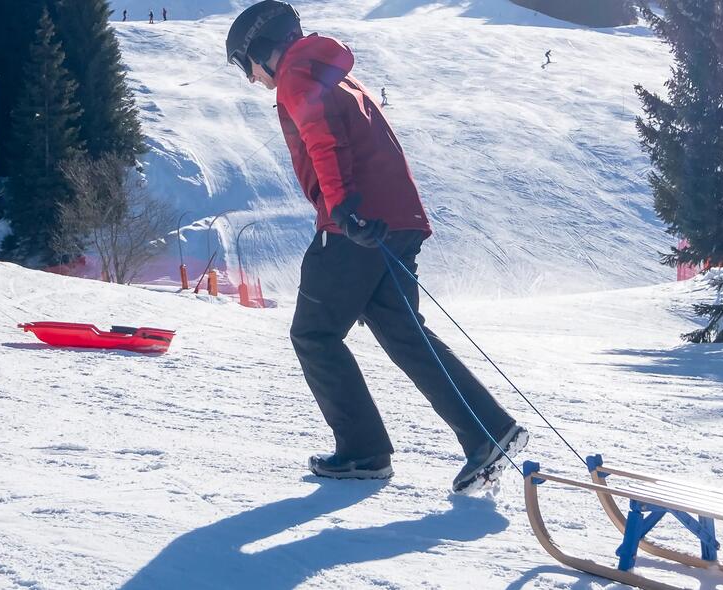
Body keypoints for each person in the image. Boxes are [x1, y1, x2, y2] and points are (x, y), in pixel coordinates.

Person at [225, 0, 527, 493]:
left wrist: (344, 209)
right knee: (405, 334)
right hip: (397, 219)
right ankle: (489, 431)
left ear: (261, 51)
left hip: (356, 225)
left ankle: (363, 451)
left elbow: (324, 141)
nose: (252, 79)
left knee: (314, 334)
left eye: (245, 65)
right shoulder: (332, 72)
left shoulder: (298, 76)